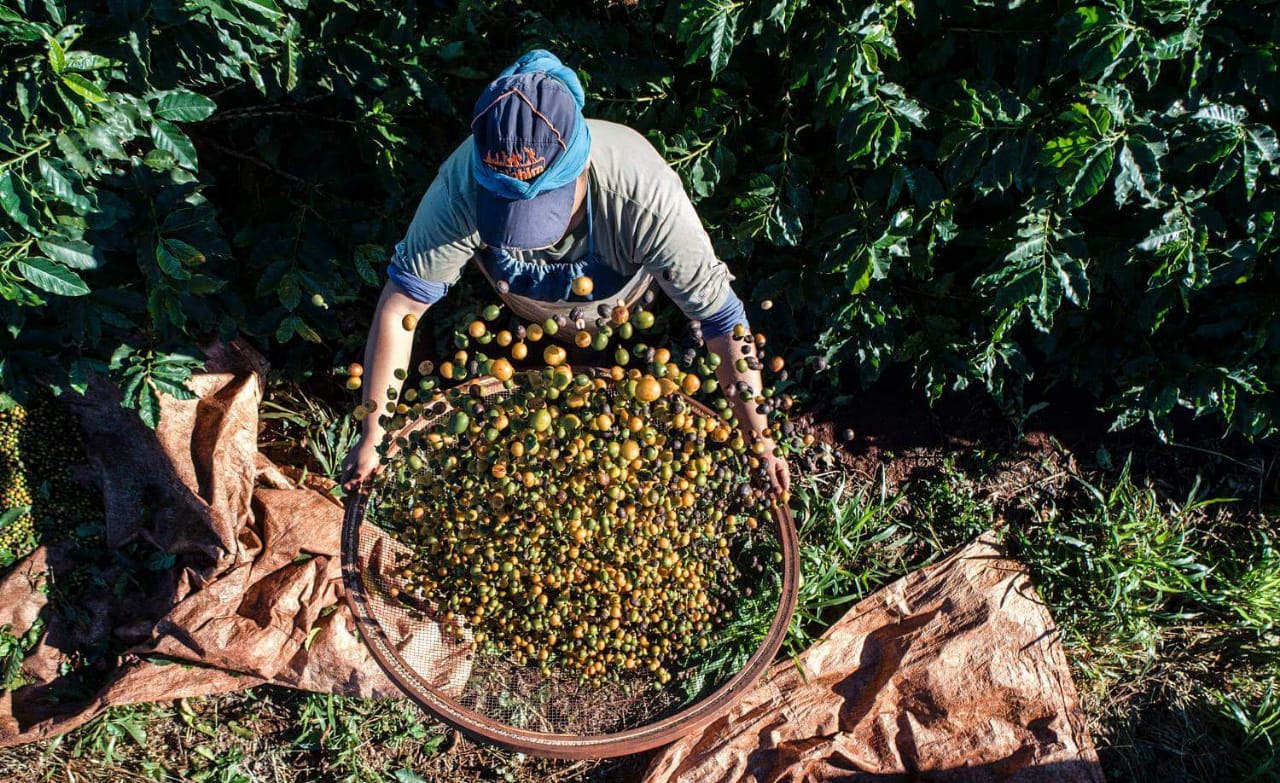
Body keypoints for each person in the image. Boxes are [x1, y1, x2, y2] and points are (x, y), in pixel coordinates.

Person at [339, 50, 790, 496]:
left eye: (541, 210)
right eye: (507, 212)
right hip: (525, 311)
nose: (529, 236)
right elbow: (403, 305)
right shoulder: (460, 191)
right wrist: (374, 437)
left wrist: (759, 441)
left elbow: (721, 320)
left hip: (623, 308)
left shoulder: (642, 197)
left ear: (582, 168)